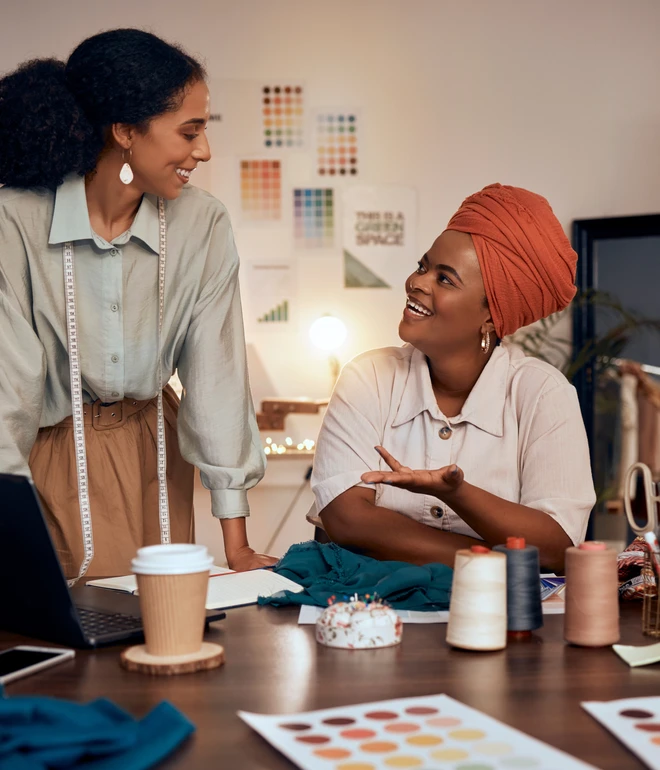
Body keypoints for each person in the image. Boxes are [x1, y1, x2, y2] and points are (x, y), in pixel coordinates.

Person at [0, 29, 276, 578]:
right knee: (64, 633)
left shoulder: (202, 222)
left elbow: (217, 375)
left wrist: (237, 543)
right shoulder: (17, 219)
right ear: (126, 131)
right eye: (189, 131)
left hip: (155, 450)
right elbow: (8, 385)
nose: (204, 150)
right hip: (45, 450)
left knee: (163, 628)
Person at [311, 184, 596, 572]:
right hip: (367, 617)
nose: (417, 282)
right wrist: (483, 561)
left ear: (492, 317)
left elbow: (556, 543)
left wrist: (459, 494)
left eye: (445, 279)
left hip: (499, 625)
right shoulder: (368, 377)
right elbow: (347, 519)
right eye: (423, 266)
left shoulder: (543, 394)